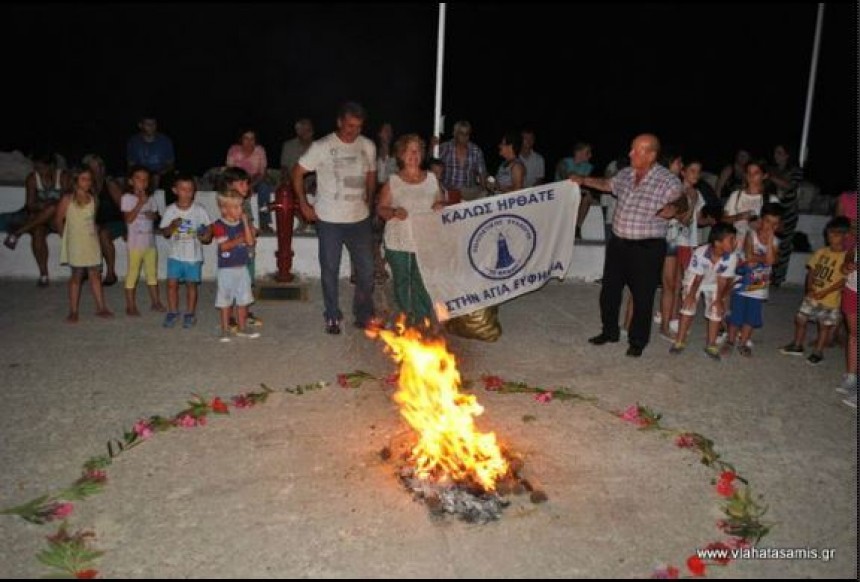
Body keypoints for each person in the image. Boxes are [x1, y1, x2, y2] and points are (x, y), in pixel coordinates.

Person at [570, 134, 683, 357]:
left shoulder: (666, 180)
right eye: (631, 149)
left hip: (647, 248)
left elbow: (682, 199)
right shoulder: (625, 174)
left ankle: (637, 341)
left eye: (637, 151)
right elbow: (606, 184)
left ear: (651, 155)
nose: (630, 153)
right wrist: (583, 180)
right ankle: (609, 331)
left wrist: (675, 208)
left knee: (643, 296)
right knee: (609, 292)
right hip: (619, 244)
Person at [292, 101, 378, 335]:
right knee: (330, 269)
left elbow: (371, 174)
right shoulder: (322, 146)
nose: (354, 132)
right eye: (350, 126)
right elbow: (297, 172)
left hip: (359, 219)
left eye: (358, 127)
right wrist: (303, 204)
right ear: (339, 122)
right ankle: (332, 315)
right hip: (329, 219)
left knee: (367, 271)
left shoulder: (367, 146)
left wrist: (370, 203)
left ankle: (363, 314)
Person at [376, 134, 445, 326]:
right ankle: (404, 317)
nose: (414, 154)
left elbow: (439, 202)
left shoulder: (431, 179)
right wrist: (394, 211)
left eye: (417, 150)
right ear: (401, 154)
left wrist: (439, 205)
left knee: (421, 280)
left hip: (424, 241)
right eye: (409, 151)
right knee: (401, 281)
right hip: (398, 240)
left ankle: (422, 319)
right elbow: (381, 209)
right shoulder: (393, 181)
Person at [779, 216, 850, 365]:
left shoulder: (847, 257)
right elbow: (811, 270)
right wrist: (809, 288)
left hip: (830, 300)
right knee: (800, 319)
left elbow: (844, 280)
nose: (831, 238)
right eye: (829, 234)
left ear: (845, 236)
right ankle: (797, 345)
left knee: (823, 327)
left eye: (836, 235)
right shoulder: (822, 252)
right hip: (813, 294)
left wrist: (826, 291)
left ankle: (818, 352)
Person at [668, 223, 738, 360]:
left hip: (715, 283)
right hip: (694, 279)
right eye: (731, 239)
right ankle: (679, 341)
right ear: (717, 243)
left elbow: (724, 281)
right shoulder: (700, 252)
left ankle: (711, 345)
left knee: (716, 312)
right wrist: (691, 295)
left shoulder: (732, 257)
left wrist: (719, 300)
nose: (735, 243)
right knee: (688, 308)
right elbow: (698, 277)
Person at [53, 167, 113, 322]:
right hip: (76, 243)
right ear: (75, 181)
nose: (87, 182)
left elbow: (92, 220)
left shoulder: (94, 198)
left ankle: (101, 307)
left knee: (95, 274)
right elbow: (58, 220)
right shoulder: (67, 199)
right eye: (83, 179)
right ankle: (73, 311)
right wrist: (65, 237)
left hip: (91, 242)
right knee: (76, 276)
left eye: (89, 179)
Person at [3, 151, 69, 287]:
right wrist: (46, 205)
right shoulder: (32, 179)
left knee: (52, 208)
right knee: (38, 233)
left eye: (41, 167)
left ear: (51, 166)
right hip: (39, 218)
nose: (38, 171)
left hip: (59, 218)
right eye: (36, 167)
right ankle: (43, 274)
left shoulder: (62, 177)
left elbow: (66, 201)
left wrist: (47, 205)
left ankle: (17, 233)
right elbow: (30, 205)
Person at [723, 203, 782, 356]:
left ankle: (743, 343)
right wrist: (765, 258)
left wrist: (769, 243)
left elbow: (770, 261)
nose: (770, 226)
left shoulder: (775, 242)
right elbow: (750, 257)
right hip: (743, 280)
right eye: (768, 221)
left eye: (775, 224)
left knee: (751, 316)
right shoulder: (751, 234)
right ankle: (730, 340)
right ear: (762, 220)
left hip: (759, 282)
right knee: (737, 313)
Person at [158, 173, 212, 329]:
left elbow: (208, 230)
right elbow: (165, 233)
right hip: (175, 255)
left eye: (190, 189)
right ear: (175, 190)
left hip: (193, 256)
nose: (187, 193)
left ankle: (190, 313)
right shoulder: (170, 210)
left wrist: (206, 236)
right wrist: (173, 225)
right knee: (171, 285)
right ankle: (173, 312)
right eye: (183, 189)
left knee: (191, 285)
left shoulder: (199, 210)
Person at [211, 190, 260, 342]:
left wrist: (246, 223)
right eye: (236, 207)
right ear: (224, 209)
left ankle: (242, 327)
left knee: (243, 300)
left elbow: (251, 242)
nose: (240, 210)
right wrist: (240, 239)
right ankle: (225, 329)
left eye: (241, 207)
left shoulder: (242, 224)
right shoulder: (218, 225)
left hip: (242, 268)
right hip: (226, 270)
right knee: (225, 300)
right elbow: (224, 246)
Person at [219, 166, 262, 329]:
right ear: (230, 186)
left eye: (247, 183)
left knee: (246, 282)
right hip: (233, 253)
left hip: (247, 250)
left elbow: (247, 222)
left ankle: (244, 313)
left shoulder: (245, 202)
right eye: (242, 184)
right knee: (230, 285)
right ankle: (229, 317)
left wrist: (252, 229)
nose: (246, 187)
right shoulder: (228, 205)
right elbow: (228, 227)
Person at [120, 166, 164, 316]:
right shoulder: (127, 198)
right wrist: (139, 203)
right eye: (138, 178)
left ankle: (155, 302)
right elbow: (128, 219)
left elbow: (155, 216)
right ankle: (130, 306)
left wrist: (152, 215)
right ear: (131, 181)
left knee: (152, 274)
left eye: (145, 179)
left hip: (150, 243)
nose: (142, 182)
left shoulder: (151, 198)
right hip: (135, 244)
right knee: (133, 274)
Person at [85, 153, 125, 287]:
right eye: (94, 168)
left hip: (117, 222)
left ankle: (111, 273)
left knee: (103, 233)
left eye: (100, 167)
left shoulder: (110, 184)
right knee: (87, 230)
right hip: (97, 222)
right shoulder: (86, 186)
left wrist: (130, 229)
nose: (98, 171)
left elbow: (123, 208)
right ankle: (89, 268)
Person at [225, 128, 274, 232]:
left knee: (265, 187)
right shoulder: (234, 150)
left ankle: (264, 223)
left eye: (252, 139)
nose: (249, 141)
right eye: (246, 138)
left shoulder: (260, 150)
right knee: (236, 191)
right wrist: (243, 186)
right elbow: (230, 172)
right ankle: (242, 223)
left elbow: (262, 173)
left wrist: (250, 186)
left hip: (255, 181)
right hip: (238, 181)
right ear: (241, 140)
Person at [436, 120, 488, 201]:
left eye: (467, 133)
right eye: (461, 133)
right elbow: (431, 165)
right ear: (455, 134)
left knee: (484, 194)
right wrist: (431, 148)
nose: (465, 136)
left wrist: (484, 190)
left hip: (469, 193)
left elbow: (482, 173)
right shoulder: (444, 148)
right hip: (448, 191)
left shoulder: (476, 150)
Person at [555, 142, 595, 240]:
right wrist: (573, 176)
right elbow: (566, 177)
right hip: (560, 192)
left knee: (588, 197)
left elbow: (586, 184)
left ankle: (577, 227)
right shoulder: (564, 162)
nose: (590, 155)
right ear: (579, 153)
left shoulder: (588, 167)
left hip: (577, 193)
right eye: (588, 152)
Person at [126, 115, 175, 190]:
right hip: (141, 174)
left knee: (158, 178)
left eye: (153, 124)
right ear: (140, 125)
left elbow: (170, 164)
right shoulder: (134, 142)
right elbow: (131, 165)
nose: (151, 127)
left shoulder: (165, 141)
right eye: (148, 124)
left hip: (161, 175)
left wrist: (159, 173)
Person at [836, 245, 857, 408]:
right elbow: (845, 264)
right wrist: (847, 266)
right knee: (854, 335)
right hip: (852, 290)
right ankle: (851, 377)